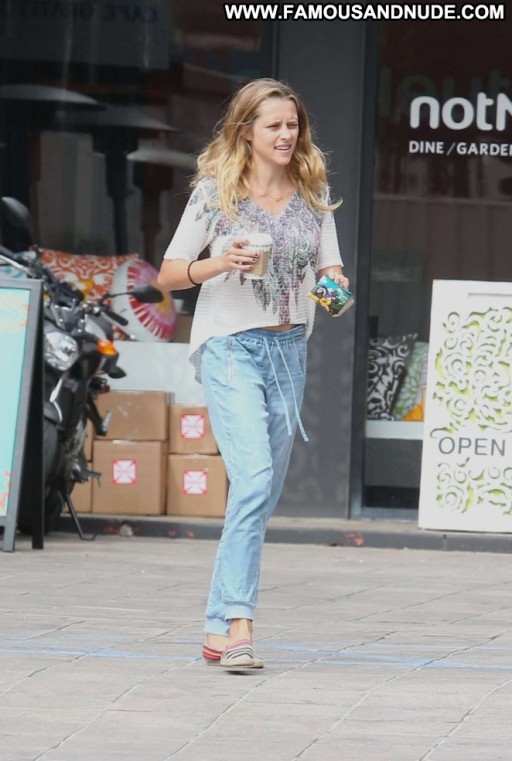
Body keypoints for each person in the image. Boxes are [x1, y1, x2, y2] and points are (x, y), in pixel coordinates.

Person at [157, 78, 349, 670]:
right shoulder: (215, 194)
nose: (287, 134)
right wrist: (220, 262)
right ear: (246, 131)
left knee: (256, 495)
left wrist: (335, 291)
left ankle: (216, 628)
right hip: (230, 346)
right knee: (255, 477)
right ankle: (240, 625)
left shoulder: (313, 192)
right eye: (275, 126)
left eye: (293, 124)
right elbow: (168, 274)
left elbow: (331, 273)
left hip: (289, 350)